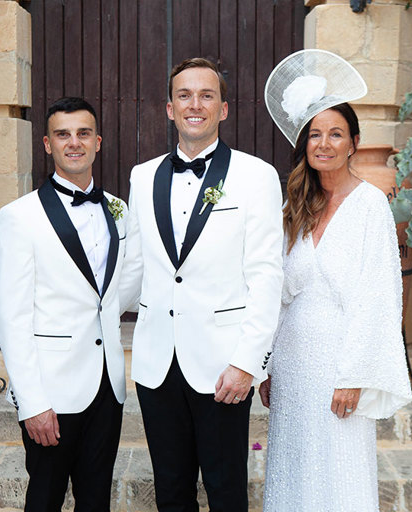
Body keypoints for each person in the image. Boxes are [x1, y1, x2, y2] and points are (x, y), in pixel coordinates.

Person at [118, 58, 283, 511]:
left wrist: (249, 362)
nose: (195, 105)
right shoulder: (142, 176)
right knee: (171, 492)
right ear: (169, 108)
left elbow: (267, 276)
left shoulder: (256, 176)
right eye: (185, 95)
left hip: (223, 366)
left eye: (206, 95)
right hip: (157, 364)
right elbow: (137, 268)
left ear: (224, 109)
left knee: (227, 490)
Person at [260, 50, 412, 511]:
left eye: (335, 134)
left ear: (354, 142)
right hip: (292, 367)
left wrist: (355, 375)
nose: (323, 143)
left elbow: (379, 298)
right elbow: (278, 296)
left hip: (339, 368)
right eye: (314, 135)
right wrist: (267, 364)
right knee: (293, 469)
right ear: (303, 143)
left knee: (341, 475)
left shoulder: (370, 206)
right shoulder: (294, 209)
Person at [0, 97, 128, 512]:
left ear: (98, 142)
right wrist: (32, 402)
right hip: (51, 390)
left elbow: (122, 289)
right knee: (45, 499)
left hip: (107, 387)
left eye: (83, 133)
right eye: (63, 134)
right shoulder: (19, 216)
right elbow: (12, 317)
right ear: (48, 145)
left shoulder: (118, 211)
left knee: (96, 501)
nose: (75, 142)